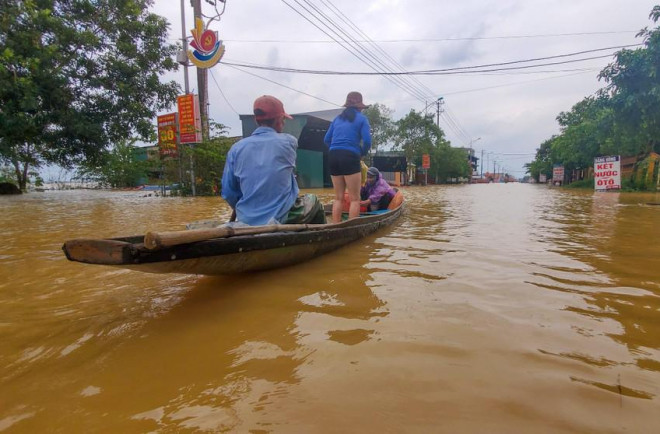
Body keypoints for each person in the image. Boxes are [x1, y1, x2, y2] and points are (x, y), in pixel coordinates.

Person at [221, 95, 326, 226]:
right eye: (283, 119)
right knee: (313, 200)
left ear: (256, 120)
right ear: (279, 120)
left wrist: (247, 210)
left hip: (246, 219)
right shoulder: (289, 142)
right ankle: (320, 235)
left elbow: (228, 192)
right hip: (282, 216)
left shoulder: (236, 148)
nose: (284, 122)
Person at [324, 91, 372, 223]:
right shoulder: (362, 119)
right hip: (351, 156)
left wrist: (336, 151)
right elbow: (367, 141)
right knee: (355, 199)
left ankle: (335, 225)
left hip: (333, 156)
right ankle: (351, 228)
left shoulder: (337, 119)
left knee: (338, 197)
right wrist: (360, 153)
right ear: (360, 107)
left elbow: (326, 139)